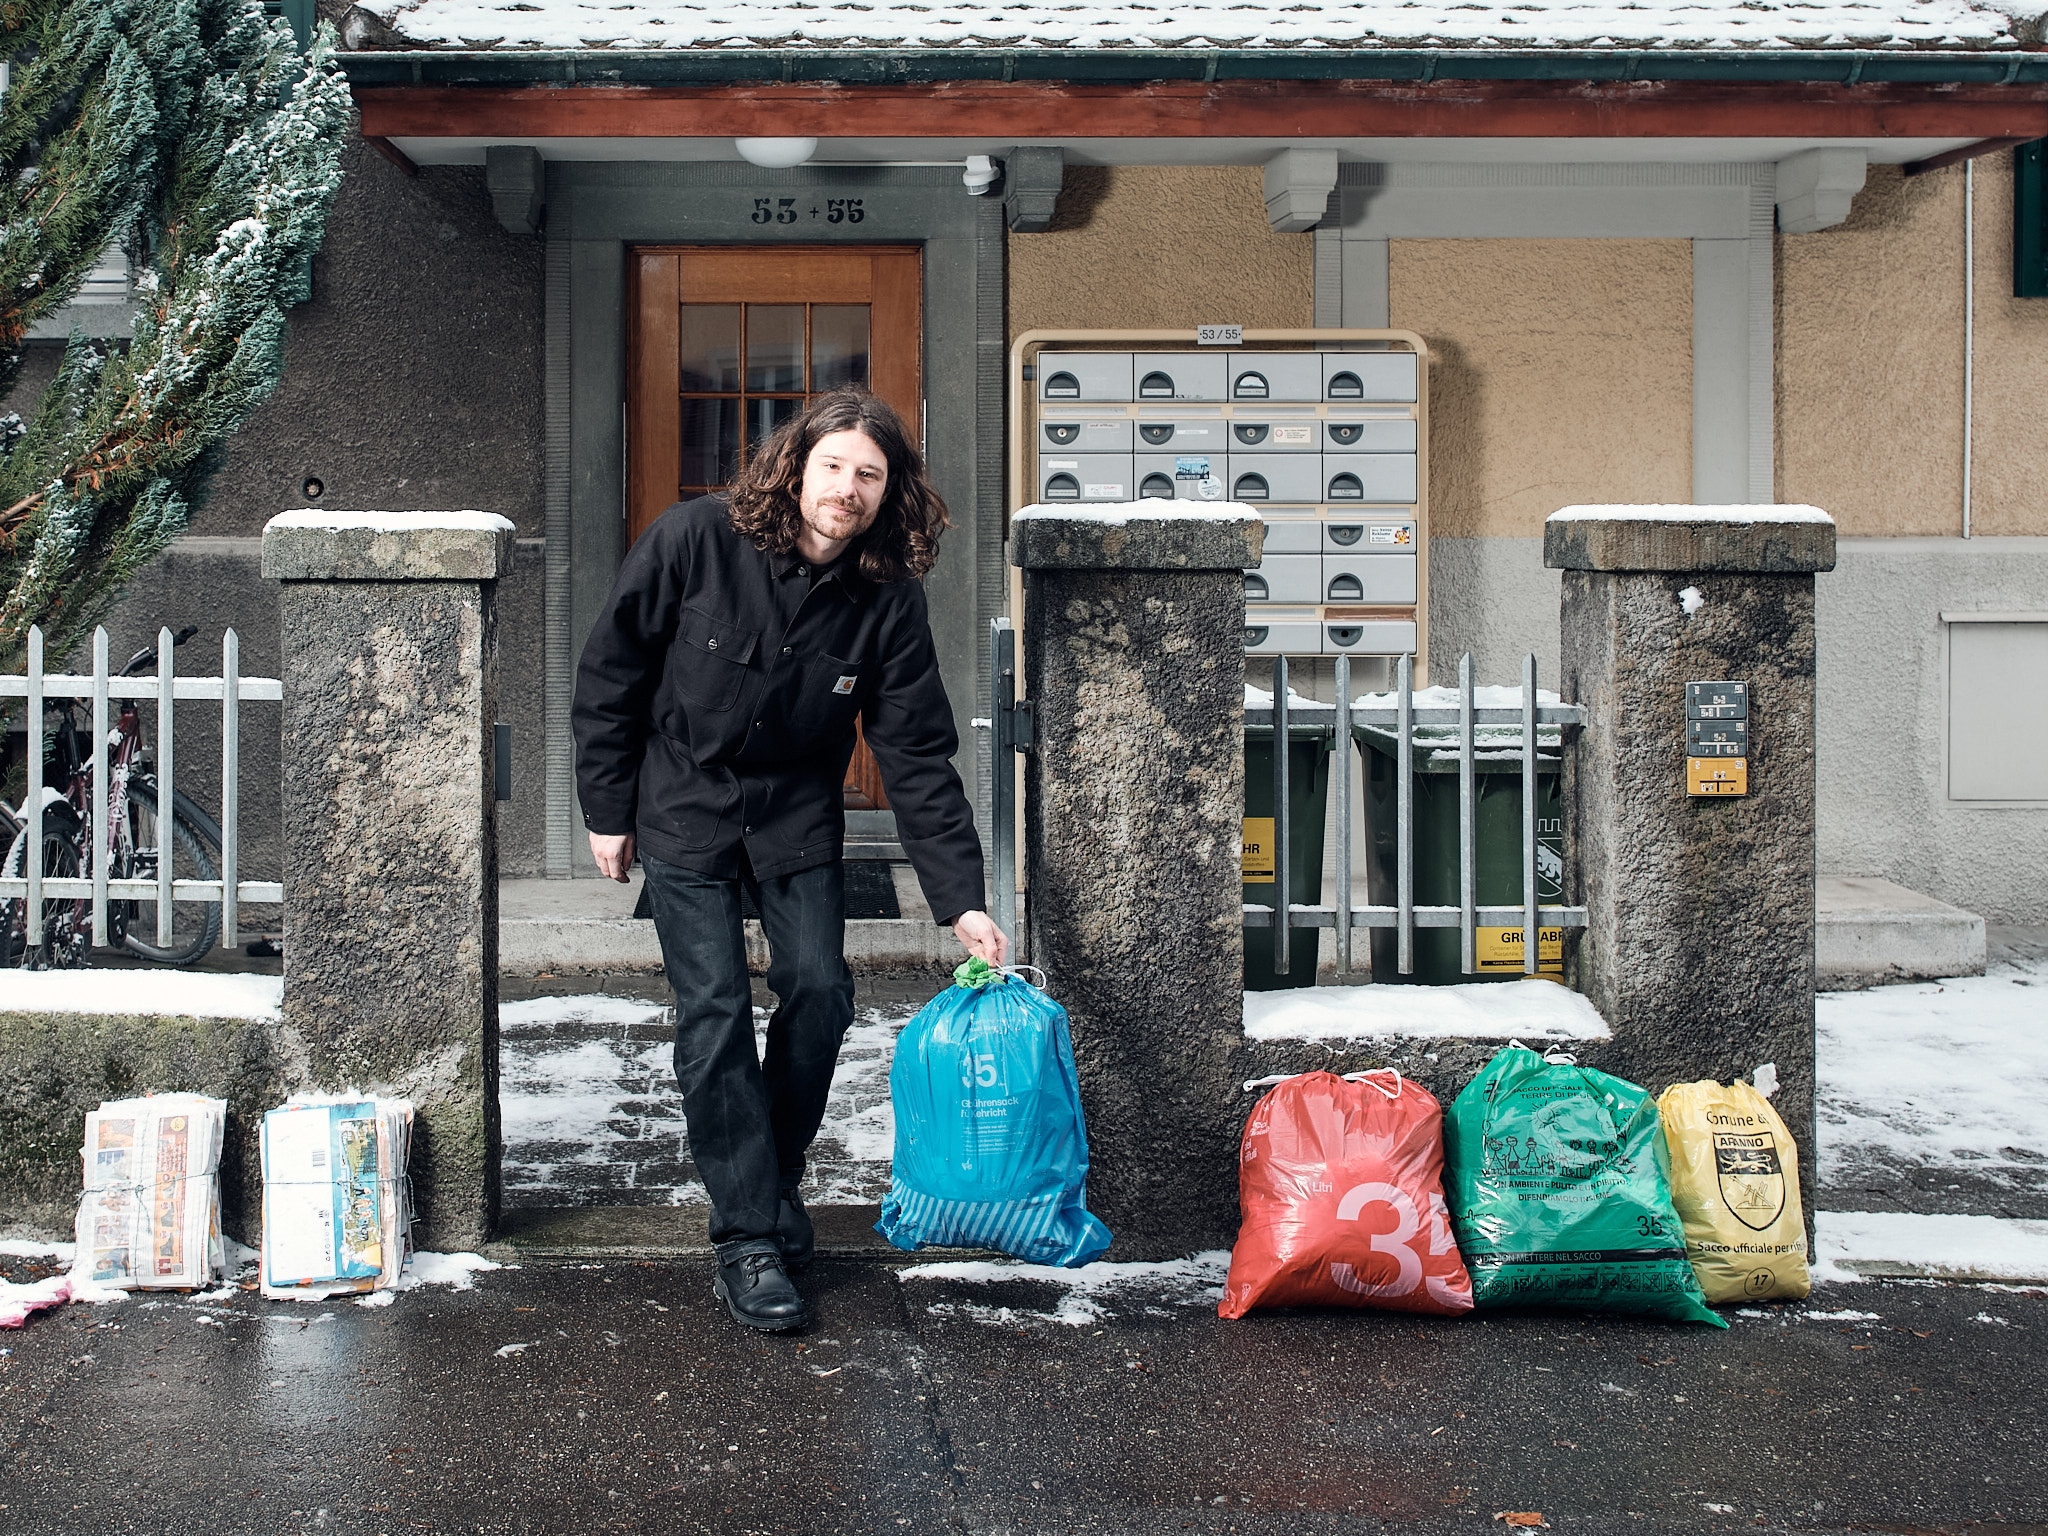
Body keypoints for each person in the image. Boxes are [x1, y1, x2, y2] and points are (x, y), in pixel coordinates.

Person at [573, 389, 1006, 1334]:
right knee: (716, 1011)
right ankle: (747, 1235)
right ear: (795, 466)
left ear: (889, 492)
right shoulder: (694, 539)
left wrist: (960, 900)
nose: (847, 488)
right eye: (833, 466)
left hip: (796, 815)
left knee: (821, 989)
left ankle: (770, 1179)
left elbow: (916, 753)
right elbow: (612, 673)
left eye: (869, 475)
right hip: (683, 804)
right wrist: (608, 809)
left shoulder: (888, 596)